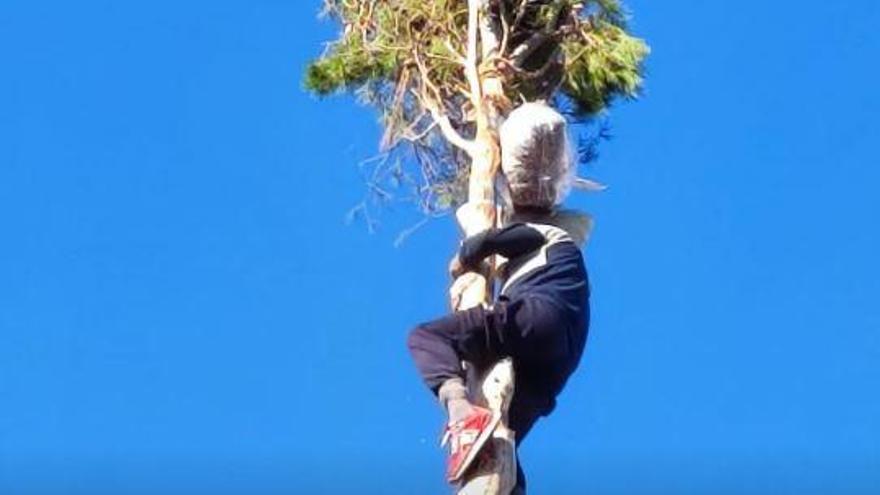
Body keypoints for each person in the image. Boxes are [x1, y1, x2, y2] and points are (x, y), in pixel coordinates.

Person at [406, 103, 593, 492]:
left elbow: (495, 240)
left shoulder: (546, 234)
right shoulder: (567, 249)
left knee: (427, 337)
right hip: (556, 362)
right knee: (502, 442)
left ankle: (459, 412)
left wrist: (465, 254)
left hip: (537, 318)